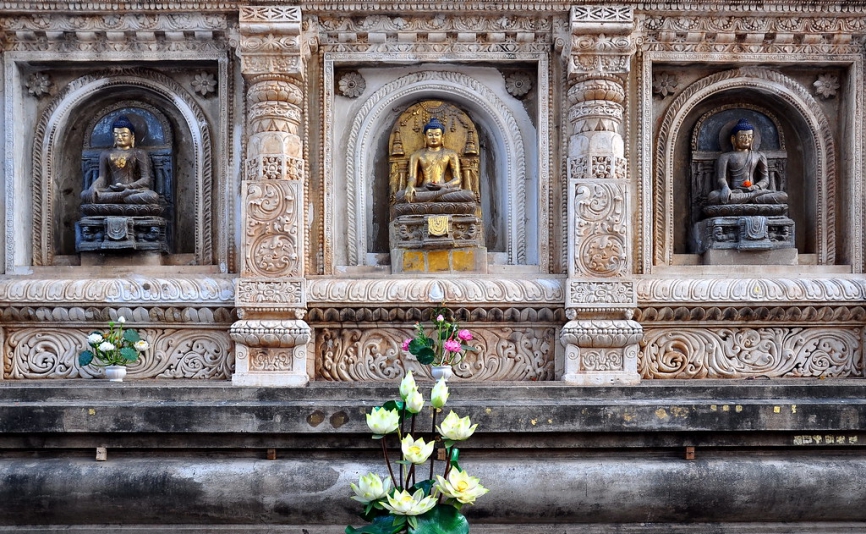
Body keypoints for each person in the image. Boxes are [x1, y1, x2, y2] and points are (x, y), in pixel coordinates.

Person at [80, 116, 160, 205]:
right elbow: (102, 177)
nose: (119, 137)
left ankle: (121, 196)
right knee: (85, 195)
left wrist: (127, 186)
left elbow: (146, 179)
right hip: (112, 190)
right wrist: (93, 187)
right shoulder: (106, 153)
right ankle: (121, 196)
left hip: (132, 191)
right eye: (116, 134)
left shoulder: (139, 153)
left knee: (152, 196)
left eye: (124, 135)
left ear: (132, 136)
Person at [707, 118, 788, 205]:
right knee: (713, 197)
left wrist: (755, 187)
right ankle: (750, 197)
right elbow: (721, 178)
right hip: (735, 192)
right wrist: (725, 188)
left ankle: (748, 198)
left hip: (754, 191)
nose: (746, 140)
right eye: (742, 137)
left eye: (749, 137)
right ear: (733, 139)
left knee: (783, 196)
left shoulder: (759, 155)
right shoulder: (725, 157)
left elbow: (765, 179)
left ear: (752, 139)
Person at [397, 117, 475, 205]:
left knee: (469, 195)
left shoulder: (451, 154)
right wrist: (410, 186)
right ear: (425, 137)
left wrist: (444, 186)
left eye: (437, 134)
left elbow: (457, 179)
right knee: (400, 195)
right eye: (430, 135)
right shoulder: (416, 155)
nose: (434, 137)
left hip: (444, 188)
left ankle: (437, 196)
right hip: (424, 190)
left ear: (442, 137)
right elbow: (413, 177)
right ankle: (438, 196)